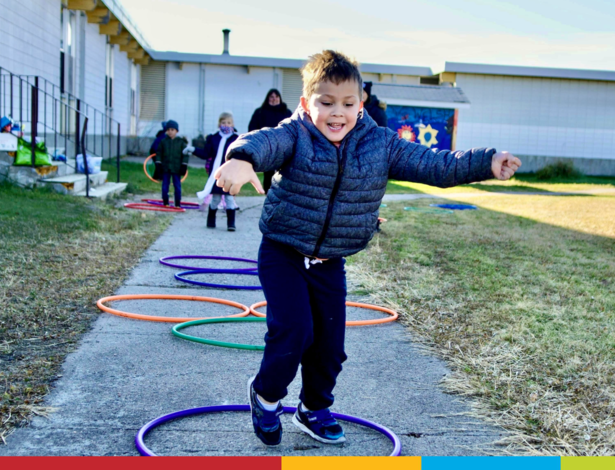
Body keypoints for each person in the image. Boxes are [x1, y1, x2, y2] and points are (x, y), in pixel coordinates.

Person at [216, 50, 521, 447]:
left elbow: (436, 165)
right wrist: (241, 159)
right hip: (283, 251)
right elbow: (263, 142)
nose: (337, 113)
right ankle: (267, 395)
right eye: (326, 103)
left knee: (330, 346)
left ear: (361, 104)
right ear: (307, 104)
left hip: (330, 262)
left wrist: (486, 163)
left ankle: (313, 409)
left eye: (347, 103)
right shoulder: (294, 133)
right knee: (294, 330)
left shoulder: (381, 145)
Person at [194, 112, 240, 231]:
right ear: (219, 124)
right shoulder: (213, 138)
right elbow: (206, 153)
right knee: (215, 199)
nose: (226, 125)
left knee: (229, 199)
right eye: (223, 122)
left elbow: (240, 155)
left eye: (229, 123)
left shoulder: (236, 139)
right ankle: (210, 221)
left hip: (230, 174)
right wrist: (193, 150)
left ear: (233, 124)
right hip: (217, 174)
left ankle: (231, 224)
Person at [248, 89, 293, 193]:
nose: (274, 99)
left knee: (283, 172)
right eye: (272, 97)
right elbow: (252, 128)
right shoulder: (260, 112)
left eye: (276, 97)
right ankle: (268, 194)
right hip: (267, 147)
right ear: (268, 99)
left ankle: (281, 193)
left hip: (283, 146)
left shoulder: (286, 112)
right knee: (268, 173)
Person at [154, 120, 193, 207]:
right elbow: (159, 154)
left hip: (177, 168)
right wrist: (158, 164)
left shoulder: (181, 142)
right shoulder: (163, 142)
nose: (170, 131)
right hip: (166, 168)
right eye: (168, 130)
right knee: (165, 186)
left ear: (176, 131)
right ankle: (166, 202)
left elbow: (185, 155)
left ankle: (177, 203)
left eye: (172, 129)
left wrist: (184, 165)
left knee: (177, 187)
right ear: (166, 131)